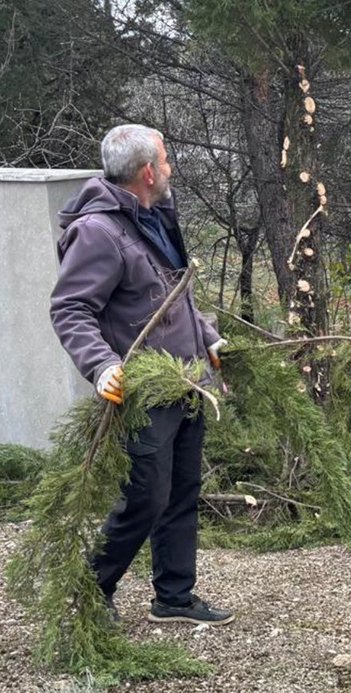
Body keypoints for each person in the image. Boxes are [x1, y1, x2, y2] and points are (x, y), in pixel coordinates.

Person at [50, 124, 234, 626]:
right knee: (146, 498)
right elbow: (71, 309)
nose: (171, 168)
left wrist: (207, 335)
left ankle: (174, 597)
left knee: (181, 492)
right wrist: (102, 364)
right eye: (167, 159)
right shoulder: (99, 231)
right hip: (144, 392)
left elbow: (169, 297)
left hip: (187, 381)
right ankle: (90, 593)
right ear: (149, 171)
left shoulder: (152, 217)